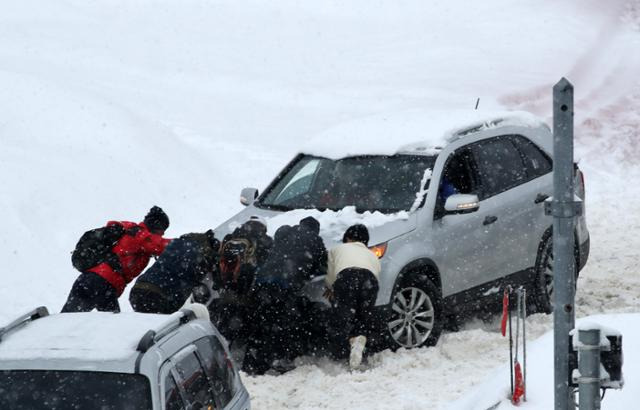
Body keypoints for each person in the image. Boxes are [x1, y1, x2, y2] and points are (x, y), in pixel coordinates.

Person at [242, 216, 327, 375]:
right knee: (283, 323)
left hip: (261, 280)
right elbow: (322, 267)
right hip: (284, 283)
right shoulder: (315, 240)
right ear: (315, 230)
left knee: (262, 320)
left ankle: (251, 361)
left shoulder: (284, 232)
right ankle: (277, 360)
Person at [61, 206, 171, 313]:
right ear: (156, 226)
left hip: (86, 280)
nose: (163, 234)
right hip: (104, 283)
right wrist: (184, 243)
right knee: (111, 325)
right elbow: (162, 246)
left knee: (68, 318)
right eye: (162, 230)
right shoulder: (140, 234)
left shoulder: (130, 230)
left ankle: (49, 326)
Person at [324, 223, 381, 370]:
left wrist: (330, 288)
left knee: (341, 316)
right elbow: (376, 273)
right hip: (370, 282)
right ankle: (359, 338)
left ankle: (341, 353)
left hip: (346, 278)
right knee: (363, 316)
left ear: (347, 238)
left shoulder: (336, 249)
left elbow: (331, 274)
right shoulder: (372, 254)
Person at [213, 216, 273, 344]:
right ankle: (240, 343)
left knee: (225, 316)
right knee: (244, 318)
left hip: (227, 287)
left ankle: (221, 341)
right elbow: (268, 264)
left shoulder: (230, 237)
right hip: (247, 288)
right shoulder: (265, 241)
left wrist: (220, 281)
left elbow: (218, 259)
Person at [130, 230, 220, 314]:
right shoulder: (200, 253)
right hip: (157, 294)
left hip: (138, 289)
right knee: (170, 326)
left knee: (148, 326)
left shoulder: (177, 243)